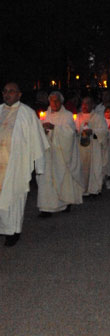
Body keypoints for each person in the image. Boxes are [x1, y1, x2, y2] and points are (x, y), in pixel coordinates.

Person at [0, 82, 49, 246]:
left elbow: (38, 140)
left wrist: (39, 167)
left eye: (11, 91)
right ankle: (3, 228)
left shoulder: (27, 114)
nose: (7, 94)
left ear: (19, 94)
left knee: (14, 199)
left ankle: (13, 232)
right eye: (5, 91)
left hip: (16, 164)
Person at [37, 91, 83, 217]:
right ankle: (46, 208)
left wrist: (54, 129)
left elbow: (70, 133)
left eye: (57, 100)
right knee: (46, 180)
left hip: (61, 154)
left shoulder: (67, 115)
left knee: (62, 178)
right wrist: (43, 131)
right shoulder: (44, 115)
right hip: (47, 153)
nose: (54, 103)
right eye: (52, 101)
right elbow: (37, 131)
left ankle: (64, 203)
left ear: (61, 102)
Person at [75, 96, 108, 197]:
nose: (85, 106)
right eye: (83, 104)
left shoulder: (98, 117)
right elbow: (73, 130)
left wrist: (93, 131)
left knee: (94, 167)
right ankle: (82, 189)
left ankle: (94, 190)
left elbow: (104, 131)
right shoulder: (77, 117)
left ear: (92, 104)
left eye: (87, 103)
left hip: (94, 147)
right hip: (80, 148)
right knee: (82, 168)